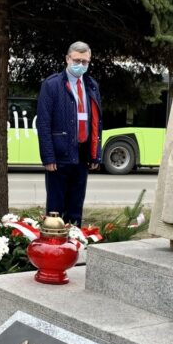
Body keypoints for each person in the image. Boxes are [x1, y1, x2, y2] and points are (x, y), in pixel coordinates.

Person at [36, 41, 102, 226]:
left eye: (85, 62)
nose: (80, 65)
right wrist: (48, 157)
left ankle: (73, 246)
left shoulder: (91, 85)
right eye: (77, 60)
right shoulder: (52, 84)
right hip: (59, 156)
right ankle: (54, 248)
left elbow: (97, 121)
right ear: (67, 59)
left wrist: (95, 154)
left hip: (82, 154)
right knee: (55, 210)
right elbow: (43, 123)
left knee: (75, 207)